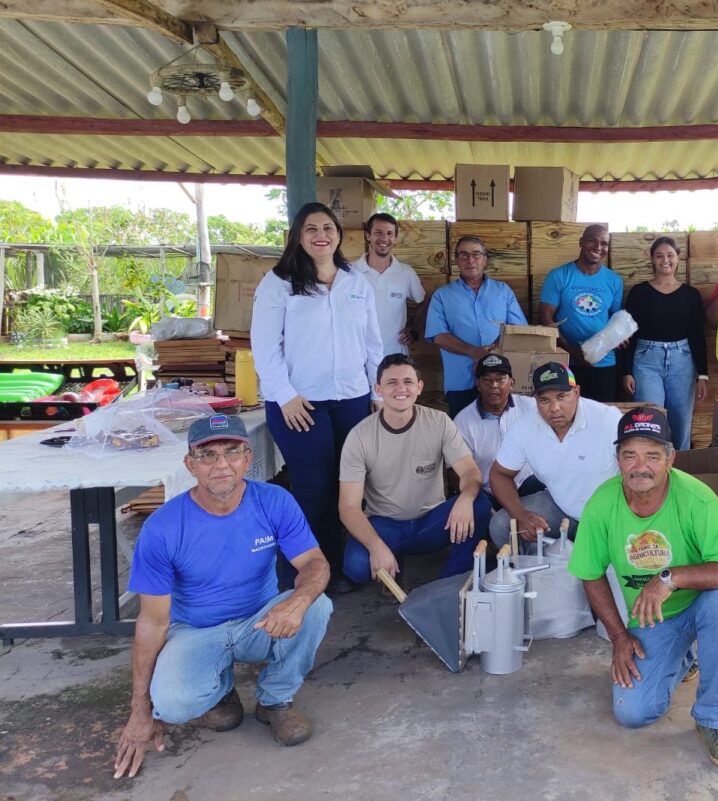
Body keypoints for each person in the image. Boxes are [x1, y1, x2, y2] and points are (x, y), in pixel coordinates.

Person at [114, 415, 333, 779]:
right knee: (170, 705)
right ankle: (220, 691)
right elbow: (153, 620)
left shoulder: (274, 501)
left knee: (316, 606)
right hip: (196, 631)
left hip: (258, 622)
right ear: (190, 465)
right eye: (207, 455)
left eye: (232, 452)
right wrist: (139, 710)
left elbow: (314, 562)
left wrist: (296, 601)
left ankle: (275, 699)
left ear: (248, 458)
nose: (221, 465)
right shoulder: (163, 528)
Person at [568, 406, 718, 770]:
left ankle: (714, 717)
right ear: (617, 459)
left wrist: (671, 578)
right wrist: (620, 636)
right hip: (654, 619)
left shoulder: (697, 499)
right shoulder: (602, 503)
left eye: (652, 455)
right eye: (630, 455)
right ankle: (683, 657)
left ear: (671, 458)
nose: (641, 467)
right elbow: (589, 574)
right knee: (633, 712)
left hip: (703, 605)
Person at [251, 201, 382, 593]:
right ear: (297, 236)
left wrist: (377, 391)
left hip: (353, 399)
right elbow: (264, 345)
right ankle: (304, 573)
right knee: (313, 486)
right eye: (311, 229)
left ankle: (340, 563)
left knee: (349, 484)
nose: (321, 235)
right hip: (300, 404)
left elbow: (373, 343)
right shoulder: (278, 282)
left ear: (339, 234)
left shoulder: (356, 282)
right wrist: (284, 395)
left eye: (328, 227)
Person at [339, 354, 490, 585]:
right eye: (392, 382)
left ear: (419, 387)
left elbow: (470, 472)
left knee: (479, 504)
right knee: (356, 567)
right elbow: (348, 507)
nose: (401, 388)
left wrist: (465, 498)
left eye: (408, 382)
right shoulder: (359, 436)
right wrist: (376, 547)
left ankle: (449, 583)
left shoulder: (439, 422)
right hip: (385, 524)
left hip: (432, 522)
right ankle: (391, 560)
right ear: (378, 389)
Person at [488, 362, 622, 552]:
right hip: (560, 505)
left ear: (576, 393)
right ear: (535, 401)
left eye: (562, 397)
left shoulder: (608, 420)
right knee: (502, 525)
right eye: (544, 400)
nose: (554, 408)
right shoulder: (525, 427)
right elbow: (499, 474)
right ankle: (534, 575)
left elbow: (637, 471)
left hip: (608, 513)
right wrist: (520, 515)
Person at [619, 236, 708, 450]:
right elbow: (628, 334)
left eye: (670, 255)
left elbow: (697, 334)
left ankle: (681, 472)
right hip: (646, 360)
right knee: (651, 420)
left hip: (682, 360)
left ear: (678, 258)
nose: (665, 260)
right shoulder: (639, 292)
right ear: (652, 259)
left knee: (680, 420)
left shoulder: (691, 295)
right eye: (659, 255)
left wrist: (703, 375)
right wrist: (626, 371)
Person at [426, 235, 527, 418]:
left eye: (476, 254)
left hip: (499, 381)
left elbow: (517, 328)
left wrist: (491, 354)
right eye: (463, 255)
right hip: (460, 382)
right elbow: (438, 335)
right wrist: (473, 352)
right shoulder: (442, 296)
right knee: (463, 439)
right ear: (456, 260)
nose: (470, 260)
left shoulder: (503, 291)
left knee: (505, 433)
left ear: (485, 259)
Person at [539, 224, 624, 402]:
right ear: (581, 242)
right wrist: (574, 352)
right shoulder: (559, 276)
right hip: (568, 362)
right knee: (569, 417)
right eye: (592, 241)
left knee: (601, 417)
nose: (598, 247)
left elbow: (616, 320)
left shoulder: (614, 280)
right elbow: (546, 318)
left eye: (604, 243)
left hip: (604, 363)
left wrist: (620, 336)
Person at [452, 353, 540, 506]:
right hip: (488, 491)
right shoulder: (463, 421)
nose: (494, 385)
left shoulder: (532, 407)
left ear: (511, 383)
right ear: (478, 385)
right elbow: (456, 473)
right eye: (487, 380)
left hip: (527, 484)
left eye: (500, 379)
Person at [350, 212, 427, 357]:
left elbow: (424, 303)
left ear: (395, 238)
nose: (384, 238)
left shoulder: (405, 273)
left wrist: (415, 330)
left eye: (389, 233)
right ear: (368, 236)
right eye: (378, 233)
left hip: (395, 354)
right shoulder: (351, 272)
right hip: (358, 356)